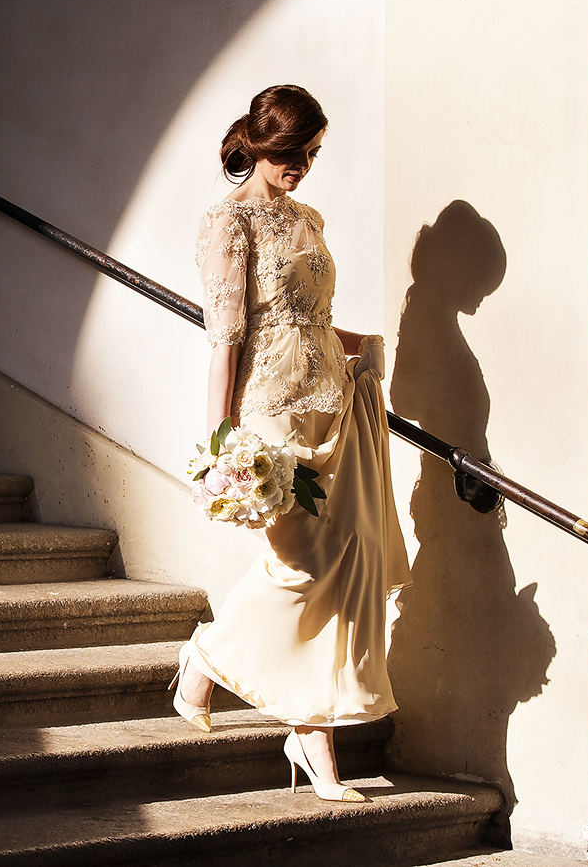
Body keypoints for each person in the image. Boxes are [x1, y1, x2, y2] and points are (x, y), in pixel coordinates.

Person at [169, 85, 411, 803]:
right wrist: (220, 441)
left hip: (333, 404)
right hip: (270, 412)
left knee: (341, 565)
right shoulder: (227, 223)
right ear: (260, 143)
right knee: (301, 565)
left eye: (311, 151)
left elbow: (310, 316)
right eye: (291, 151)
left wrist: (359, 343)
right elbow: (228, 337)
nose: (303, 164)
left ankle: (311, 737)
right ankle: (203, 660)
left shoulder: (308, 219)